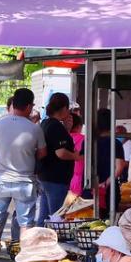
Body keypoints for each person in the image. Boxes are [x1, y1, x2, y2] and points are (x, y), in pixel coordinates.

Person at [0, 88, 45, 262]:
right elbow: (42, 153)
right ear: (30, 106)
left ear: (13, 103)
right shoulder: (34, 129)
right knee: (25, 223)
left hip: (0, 180)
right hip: (25, 182)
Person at [36, 92, 80, 226]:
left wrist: (66, 129)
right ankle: (53, 242)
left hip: (45, 176)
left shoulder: (45, 123)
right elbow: (60, 152)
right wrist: (77, 157)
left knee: (44, 216)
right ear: (64, 108)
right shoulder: (55, 126)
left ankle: (37, 242)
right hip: (56, 178)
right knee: (56, 216)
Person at [93, 109, 126, 218]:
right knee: (107, 222)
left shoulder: (88, 142)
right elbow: (119, 166)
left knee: (89, 223)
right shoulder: (115, 143)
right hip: (109, 189)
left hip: (90, 187)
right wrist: (107, 182)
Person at [68, 113, 85, 196]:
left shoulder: (63, 138)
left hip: (63, 179)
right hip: (80, 179)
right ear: (79, 126)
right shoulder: (85, 139)